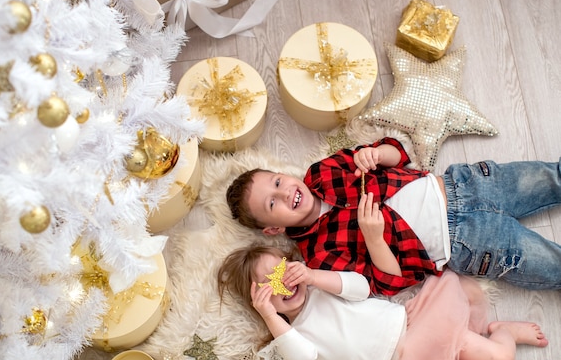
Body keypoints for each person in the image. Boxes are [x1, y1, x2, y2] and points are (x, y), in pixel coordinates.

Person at [226, 137, 561, 295]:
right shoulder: (317, 256)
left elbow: (398, 153)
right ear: (272, 229)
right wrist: (373, 239)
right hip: (466, 243)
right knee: (550, 265)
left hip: (466, 186)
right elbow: (388, 283)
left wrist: (376, 154)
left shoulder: (323, 171)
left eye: (277, 181)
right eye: (273, 203)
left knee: (550, 177)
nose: (285, 192)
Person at [216, 242, 549, 360]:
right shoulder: (294, 335)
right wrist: (271, 317)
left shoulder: (322, 287)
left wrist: (314, 276)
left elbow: (361, 288)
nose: (282, 285)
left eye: (281, 271)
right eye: (268, 288)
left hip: (419, 329)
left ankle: (503, 331)